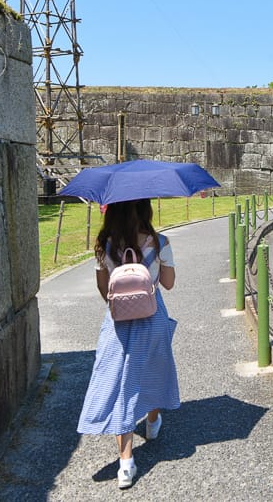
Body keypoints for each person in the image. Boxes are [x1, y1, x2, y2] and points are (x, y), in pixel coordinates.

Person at [76, 198, 180, 489]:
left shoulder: (104, 244)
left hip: (118, 323)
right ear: (145, 210)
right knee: (155, 370)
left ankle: (125, 463)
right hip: (153, 317)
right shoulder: (160, 242)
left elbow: (103, 288)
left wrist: (121, 303)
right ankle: (152, 421)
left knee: (122, 384)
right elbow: (169, 284)